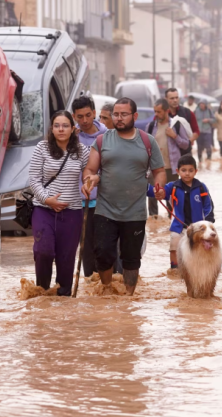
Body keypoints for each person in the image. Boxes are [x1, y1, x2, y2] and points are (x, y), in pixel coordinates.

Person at [82, 98, 168, 296]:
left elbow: (159, 171)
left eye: (123, 114)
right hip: (105, 210)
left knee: (131, 259)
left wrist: (159, 187)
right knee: (103, 254)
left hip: (135, 212)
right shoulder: (102, 140)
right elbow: (90, 169)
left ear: (134, 116)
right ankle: (107, 290)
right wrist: (89, 180)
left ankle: (129, 297)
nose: (119, 119)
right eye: (116, 115)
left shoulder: (147, 141)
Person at [29, 110, 90, 296]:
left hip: (72, 213)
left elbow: (91, 172)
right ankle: (42, 292)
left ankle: (63, 298)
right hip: (43, 209)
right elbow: (33, 179)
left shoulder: (82, 151)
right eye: (57, 126)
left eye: (65, 126)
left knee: (66, 258)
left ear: (73, 129)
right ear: (52, 128)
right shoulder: (42, 148)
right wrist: (47, 199)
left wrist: (88, 183)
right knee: (43, 251)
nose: (61, 129)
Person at [153, 154, 214, 275]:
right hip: (178, 226)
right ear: (177, 171)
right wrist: (157, 191)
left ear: (196, 171)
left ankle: (199, 271)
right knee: (174, 246)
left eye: (191, 170)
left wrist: (208, 222)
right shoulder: (173, 187)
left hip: (198, 229)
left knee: (200, 249)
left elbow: (209, 206)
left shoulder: (201, 187)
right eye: (184, 170)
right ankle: (174, 270)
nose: (187, 173)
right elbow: (162, 192)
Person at [72, 96, 107, 278]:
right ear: (74, 117)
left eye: (88, 115)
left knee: (104, 246)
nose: (84, 121)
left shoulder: (107, 136)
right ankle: (90, 285)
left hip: (104, 202)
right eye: (80, 117)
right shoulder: (71, 138)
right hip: (80, 202)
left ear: (94, 113)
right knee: (85, 247)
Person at [145, 98, 190, 217]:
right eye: (155, 111)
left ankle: (172, 221)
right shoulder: (150, 126)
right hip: (154, 168)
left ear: (166, 111)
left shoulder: (176, 125)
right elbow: (144, 147)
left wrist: (174, 136)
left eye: (159, 111)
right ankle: (154, 222)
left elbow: (186, 144)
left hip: (171, 167)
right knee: (152, 196)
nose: (156, 114)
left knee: (171, 197)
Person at [165, 88, 199, 155]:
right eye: (172, 98)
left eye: (176, 97)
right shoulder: (163, 115)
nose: (175, 100)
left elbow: (196, 131)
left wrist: (188, 143)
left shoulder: (187, 113)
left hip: (185, 153)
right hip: (168, 154)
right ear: (166, 99)